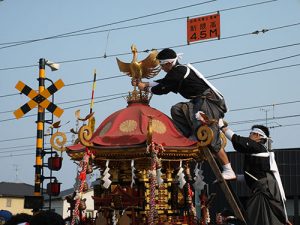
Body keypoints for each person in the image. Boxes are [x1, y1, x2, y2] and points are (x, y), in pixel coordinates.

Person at [134, 48, 235, 180]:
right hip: (197, 102)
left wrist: (145, 87)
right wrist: (144, 84)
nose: (162, 68)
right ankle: (192, 135)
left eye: (162, 65)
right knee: (177, 109)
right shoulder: (177, 71)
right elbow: (163, 82)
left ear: (168, 63)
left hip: (207, 102)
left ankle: (228, 169)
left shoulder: (179, 71)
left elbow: (162, 88)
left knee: (210, 136)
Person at [219, 121, 292, 225]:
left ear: (258, 135)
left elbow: (238, 141)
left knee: (257, 217)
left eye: (251, 134)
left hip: (263, 191)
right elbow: (254, 176)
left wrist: (222, 126)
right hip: (263, 189)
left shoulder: (259, 147)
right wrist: (235, 177)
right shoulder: (257, 151)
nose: (249, 136)